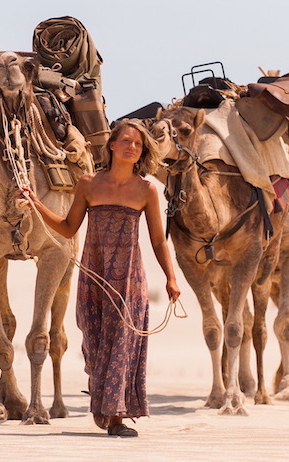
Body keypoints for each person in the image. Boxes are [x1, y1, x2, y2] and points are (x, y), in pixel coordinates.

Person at [20, 118, 181, 438]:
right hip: (93, 277)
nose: (132, 147)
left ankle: (116, 417)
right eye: (127, 141)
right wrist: (37, 205)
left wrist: (171, 278)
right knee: (94, 346)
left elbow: (158, 240)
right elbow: (68, 228)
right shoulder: (88, 183)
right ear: (112, 145)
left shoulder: (147, 190)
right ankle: (103, 406)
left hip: (128, 280)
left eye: (138, 144)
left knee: (122, 343)